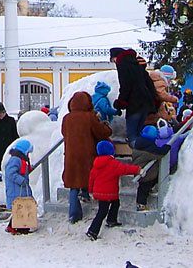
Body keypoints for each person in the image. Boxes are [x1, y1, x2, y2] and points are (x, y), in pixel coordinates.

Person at [61, 90, 112, 224]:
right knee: (87, 176)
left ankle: (74, 214)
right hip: (87, 154)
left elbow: (63, 133)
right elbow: (100, 132)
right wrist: (106, 126)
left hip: (71, 155)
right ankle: (87, 194)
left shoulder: (67, 118)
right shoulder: (89, 117)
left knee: (73, 184)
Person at [86, 140, 141, 240]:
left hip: (99, 192)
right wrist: (137, 169)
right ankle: (92, 231)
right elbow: (125, 169)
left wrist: (90, 190)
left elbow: (91, 178)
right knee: (102, 212)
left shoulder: (96, 164)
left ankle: (111, 220)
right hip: (108, 193)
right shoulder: (113, 164)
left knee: (115, 203)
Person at [110, 48, 157, 144]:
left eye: (113, 60)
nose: (114, 63)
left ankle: (137, 157)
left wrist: (120, 103)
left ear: (116, 57)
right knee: (140, 133)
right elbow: (149, 83)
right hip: (145, 103)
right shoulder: (136, 63)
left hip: (134, 104)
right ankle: (144, 155)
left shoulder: (123, 65)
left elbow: (125, 86)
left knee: (132, 136)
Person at [3, 139, 34, 235]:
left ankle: (21, 227)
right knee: (20, 207)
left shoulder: (21, 160)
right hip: (16, 189)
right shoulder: (15, 160)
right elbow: (10, 173)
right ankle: (16, 227)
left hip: (21, 189)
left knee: (22, 207)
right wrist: (21, 180)